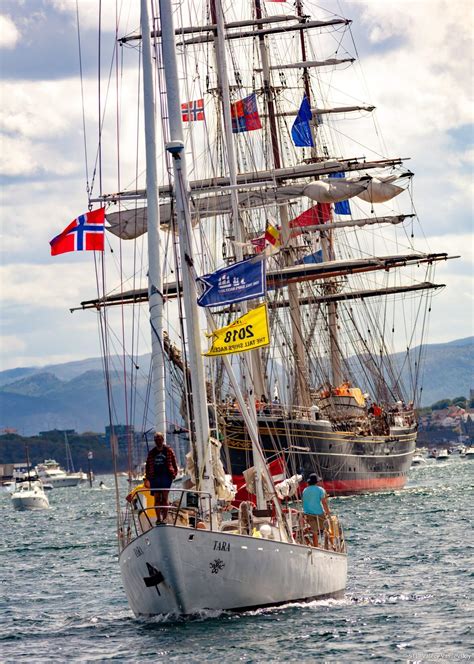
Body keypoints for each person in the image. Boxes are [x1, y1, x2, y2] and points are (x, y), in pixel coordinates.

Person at [144, 432, 178, 525]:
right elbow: (147, 466)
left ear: (163, 440)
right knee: (157, 498)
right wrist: (147, 478)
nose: (158, 441)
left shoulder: (168, 451)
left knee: (165, 497)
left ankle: (165, 518)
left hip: (166, 477)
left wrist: (174, 474)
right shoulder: (152, 453)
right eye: (156, 440)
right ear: (154, 441)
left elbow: (174, 463)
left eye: (159, 439)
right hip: (154, 477)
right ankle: (158, 518)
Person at [302, 473, 330, 547]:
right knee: (326, 527)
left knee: (314, 532)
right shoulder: (320, 490)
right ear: (317, 482)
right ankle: (330, 544)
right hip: (319, 513)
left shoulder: (305, 490)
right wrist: (328, 513)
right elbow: (324, 503)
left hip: (308, 513)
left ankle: (315, 546)